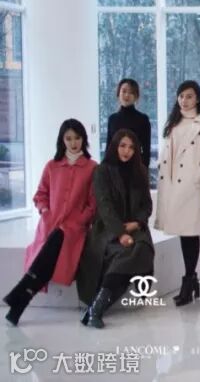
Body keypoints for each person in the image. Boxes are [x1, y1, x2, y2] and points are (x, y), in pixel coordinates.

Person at [3, 120, 97, 326]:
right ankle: (18, 303)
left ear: (84, 139)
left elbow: (93, 204)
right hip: (49, 225)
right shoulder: (52, 166)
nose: (73, 143)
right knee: (49, 253)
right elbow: (40, 194)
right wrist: (45, 211)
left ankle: (19, 296)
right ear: (62, 140)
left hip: (74, 230)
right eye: (68, 138)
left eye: (77, 138)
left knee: (57, 241)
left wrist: (80, 221)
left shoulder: (92, 168)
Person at [77, 130, 155, 329]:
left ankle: (95, 309)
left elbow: (147, 205)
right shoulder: (102, 171)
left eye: (131, 147)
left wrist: (137, 223)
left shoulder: (141, 170)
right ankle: (96, 309)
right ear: (114, 146)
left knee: (143, 248)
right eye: (122, 146)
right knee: (126, 254)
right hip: (108, 228)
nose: (127, 151)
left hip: (135, 226)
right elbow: (105, 207)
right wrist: (121, 233)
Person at [154, 80, 200, 307]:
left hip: (192, 186)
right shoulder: (174, 122)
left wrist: (198, 175)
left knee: (190, 232)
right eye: (181, 96)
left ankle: (188, 280)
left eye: (189, 96)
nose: (184, 100)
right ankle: (192, 280)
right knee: (183, 232)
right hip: (173, 185)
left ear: (197, 98)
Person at [106, 78, 151, 169]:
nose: (127, 95)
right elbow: (108, 147)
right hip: (115, 168)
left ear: (136, 97)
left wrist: (143, 169)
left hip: (135, 167)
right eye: (124, 91)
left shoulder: (143, 119)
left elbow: (146, 149)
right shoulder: (112, 119)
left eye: (131, 92)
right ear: (118, 93)